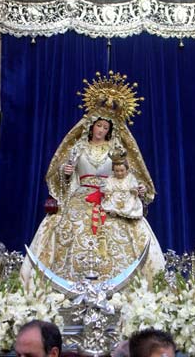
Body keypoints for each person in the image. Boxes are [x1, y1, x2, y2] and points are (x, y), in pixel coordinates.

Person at [21, 72, 165, 288]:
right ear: (91, 126)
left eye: (106, 128)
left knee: (123, 234)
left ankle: (125, 286)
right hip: (81, 197)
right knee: (66, 230)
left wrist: (137, 187)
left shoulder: (117, 149)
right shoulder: (78, 147)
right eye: (99, 126)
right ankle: (67, 283)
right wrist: (67, 172)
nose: (101, 130)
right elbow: (62, 173)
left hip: (111, 198)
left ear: (110, 130)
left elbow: (128, 172)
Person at [101, 150, 143, 220]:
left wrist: (134, 190)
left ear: (126, 169)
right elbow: (108, 187)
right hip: (114, 197)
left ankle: (126, 212)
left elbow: (134, 185)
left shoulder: (130, 177)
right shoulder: (111, 178)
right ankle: (114, 211)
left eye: (122, 170)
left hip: (127, 196)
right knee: (110, 202)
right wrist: (107, 193)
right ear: (113, 170)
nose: (119, 173)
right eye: (117, 171)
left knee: (130, 203)